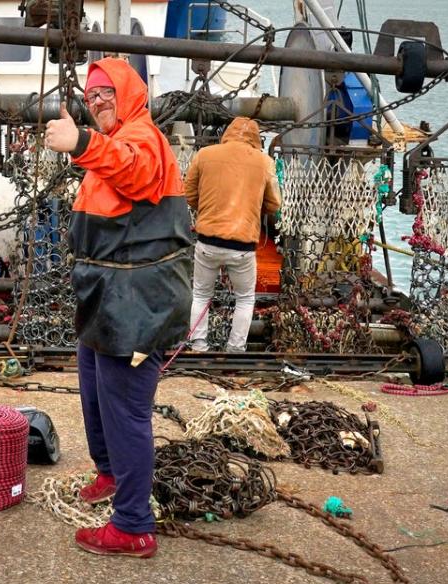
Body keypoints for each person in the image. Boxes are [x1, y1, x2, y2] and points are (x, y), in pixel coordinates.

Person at [45, 58, 192, 558]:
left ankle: (133, 525)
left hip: (137, 306)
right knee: (93, 391)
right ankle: (110, 473)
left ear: (129, 92)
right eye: (91, 97)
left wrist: (82, 143)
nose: (98, 101)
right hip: (108, 300)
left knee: (126, 411)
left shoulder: (143, 138)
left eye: (106, 92)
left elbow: (135, 171)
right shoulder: (115, 142)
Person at [183, 117, 282, 352]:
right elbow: (274, 203)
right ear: (256, 139)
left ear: (227, 133)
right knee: (245, 299)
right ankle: (235, 349)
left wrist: (207, 209)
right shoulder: (264, 162)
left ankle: (198, 345)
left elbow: (189, 194)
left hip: (207, 242)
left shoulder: (205, 154)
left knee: (201, 294)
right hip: (242, 247)